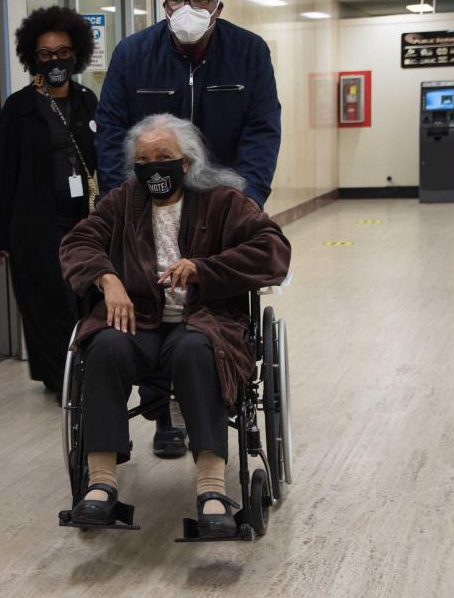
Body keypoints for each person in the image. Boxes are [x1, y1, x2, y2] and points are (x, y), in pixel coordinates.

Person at [59, 113, 290, 537]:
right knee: (105, 346)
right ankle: (101, 483)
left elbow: (273, 250)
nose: (153, 167)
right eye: (143, 160)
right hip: (140, 322)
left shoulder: (223, 201)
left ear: (186, 163)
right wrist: (108, 280)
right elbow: (77, 241)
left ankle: (212, 488)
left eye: (163, 157)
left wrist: (205, 269)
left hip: (205, 321)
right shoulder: (123, 202)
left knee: (194, 350)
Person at [94, 0, 282, 456]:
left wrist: (247, 203)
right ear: (164, 6)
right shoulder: (133, 54)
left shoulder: (248, 53)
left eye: (201, 1)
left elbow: (262, 131)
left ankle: (209, 393)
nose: (188, 10)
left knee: (199, 299)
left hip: (219, 209)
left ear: (218, 7)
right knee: (150, 290)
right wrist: (127, 204)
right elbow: (112, 129)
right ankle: (162, 414)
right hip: (147, 201)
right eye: (178, 1)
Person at [0, 7, 99, 397]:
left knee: (84, 294)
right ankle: (60, 378)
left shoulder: (87, 101)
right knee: (47, 299)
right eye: (46, 54)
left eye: (63, 52)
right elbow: (2, 170)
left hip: (84, 217)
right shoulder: (19, 107)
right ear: (32, 57)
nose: (55, 60)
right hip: (36, 219)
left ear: (77, 54)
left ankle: (85, 366)